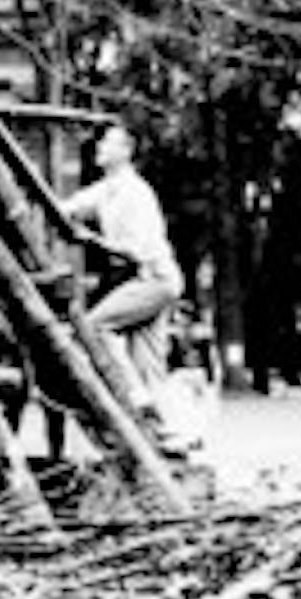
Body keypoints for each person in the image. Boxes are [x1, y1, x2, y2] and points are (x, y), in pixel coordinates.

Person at [63, 124, 184, 419]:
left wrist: (92, 241)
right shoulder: (107, 189)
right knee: (149, 364)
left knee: (94, 327)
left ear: (126, 152)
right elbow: (70, 207)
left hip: (154, 277)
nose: (100, 148)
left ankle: (134, 394)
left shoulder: (135, 193)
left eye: (108, 143)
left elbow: (135, 250)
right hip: (149, 279)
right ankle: (169, 435)